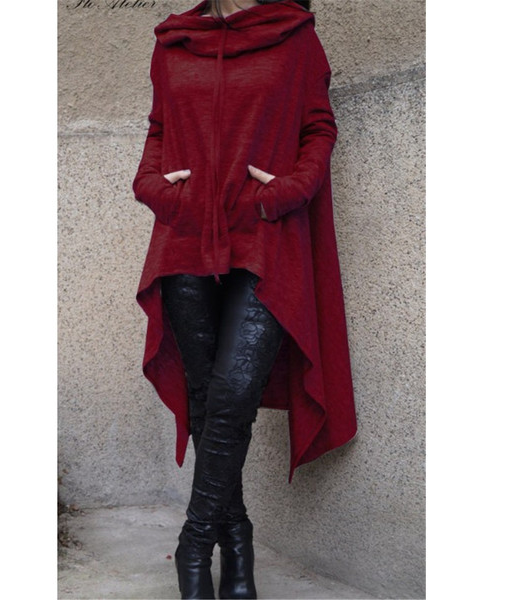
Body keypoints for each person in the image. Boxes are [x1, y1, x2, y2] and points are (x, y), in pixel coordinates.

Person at [132, 1, 357, 598]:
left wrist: (289, 190)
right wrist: (153, 187)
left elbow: (318, 127)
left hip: (265, 238)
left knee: (233, 397)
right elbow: (158, 129)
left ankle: (194, 541)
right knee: (208, 401)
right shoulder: (174, 42)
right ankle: (237, 544)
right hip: (185, 241)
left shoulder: (294, 36)